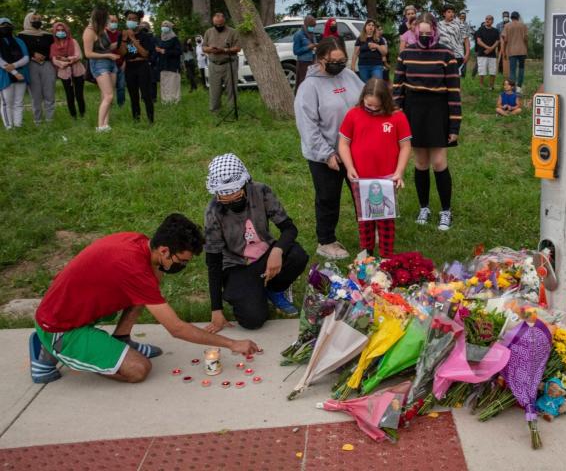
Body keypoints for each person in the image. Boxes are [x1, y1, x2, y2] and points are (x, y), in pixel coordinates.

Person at [28, 213, 260, 384]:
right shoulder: (134, 269)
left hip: (76, 311)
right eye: (182, 261)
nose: (182, 266)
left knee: (152, 280)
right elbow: (176, 329)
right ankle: (48, 349)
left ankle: (121, 340)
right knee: (138, 369)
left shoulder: (140, 245)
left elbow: (147, 284)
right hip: (60, 326)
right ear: (165, 251)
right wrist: (231, 344)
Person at [203, 153, 309, 330]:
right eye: (224, 199)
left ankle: (275, 289)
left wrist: (277, 251)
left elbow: (289, 229)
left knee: (297, 255)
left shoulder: (261, 191)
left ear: (245, 185)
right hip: (237, 265)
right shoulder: (213, 212)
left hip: (266, 255)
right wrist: (216, 309)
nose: (231, 203)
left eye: (236, 198)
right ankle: (253, 291)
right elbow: (213, 261)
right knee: (252, 320)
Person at [295, 38, 365, 260]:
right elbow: (308, 126)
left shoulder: (351, 77)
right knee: (328, 197)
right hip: (326, 154)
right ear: (320, 59)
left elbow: (367, 101)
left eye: (342, 60)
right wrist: (326, 154)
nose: (338, 65)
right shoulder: (309, 87)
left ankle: (369, 233)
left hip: (355, 150)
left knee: (362, 193)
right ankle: (326, 241)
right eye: (333, 61)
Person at [393, 13, 461, 231]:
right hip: (413, 112)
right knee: (420, 162)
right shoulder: (405, 55)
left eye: (428, 33)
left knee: (439, 162)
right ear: (414, 32)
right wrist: (398, 118)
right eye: (420, 33)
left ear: (434, 31)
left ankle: (446, 211)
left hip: (437, 110)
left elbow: (454, 91)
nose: (424, 37)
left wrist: (454, 125)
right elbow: (397, 90)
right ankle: (424, 207)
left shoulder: (446, 54)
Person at [338, 78, 413, 257]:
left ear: (386, 102)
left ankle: (387, 256)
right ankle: (367, 253)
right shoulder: (353, 114)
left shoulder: (397, 117)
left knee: (386, 218)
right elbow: (343, 143)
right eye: (368, 104)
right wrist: (349, 167)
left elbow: (405, 146)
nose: (371, 109)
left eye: (376, 106)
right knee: (364, 218)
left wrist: (399, 172)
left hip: (387, 178)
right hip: (361, 178)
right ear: (363, 97)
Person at [83, 7, 121, 131]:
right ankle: (100, 127)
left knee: (106, 95)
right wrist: (108, 55)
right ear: (100, 18)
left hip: (111, 63)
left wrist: (122, 41)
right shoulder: (89, 32)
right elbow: (88, 54)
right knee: (109, 96)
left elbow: (108, 46)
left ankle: (105, 124)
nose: (109, 21)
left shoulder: (103, 30)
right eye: (107, 18)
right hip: (99, 64)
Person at [19, 12, 56, 124]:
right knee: (36, 95)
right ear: (28, 20)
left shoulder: (48, 35)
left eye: (39, 19)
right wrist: (32, 55)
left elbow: (53, 49)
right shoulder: (22, 35)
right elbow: (20, 50)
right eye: (34, 18)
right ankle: (37, 121)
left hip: (47, 64)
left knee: (49, 93)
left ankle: (50, 120)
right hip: (31, 65)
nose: (37, 21)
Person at [203, 13, 242, 114]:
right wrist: (210, 49)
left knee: (231, 89)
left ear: (224, 22)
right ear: (213, 22)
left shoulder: (233, 32)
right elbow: (204, 47)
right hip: (214, 64)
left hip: (229, 63)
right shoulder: (208, 32)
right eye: (216, 24)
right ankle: (215, 110)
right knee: (214, 89)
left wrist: (223, 50)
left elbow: (238, 48)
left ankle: (232, 110)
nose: (218, 26)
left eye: (220, 24)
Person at [119, 11, 154, 124]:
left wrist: (133, 39)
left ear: (138, 22)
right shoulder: (123, 35)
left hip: (142, 66)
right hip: (130, 66)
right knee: (133, 96)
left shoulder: (145, 36)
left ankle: (150, 120)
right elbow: (123, 53)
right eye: (129, 18)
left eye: (134, 19)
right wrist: (125, 39)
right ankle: (136, 119)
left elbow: (145, 54)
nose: (131, 21)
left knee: (146, 94)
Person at [50, 21, 85, 119]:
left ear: (66, 31)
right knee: (69, 96)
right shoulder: (53, 45)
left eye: (62, 30)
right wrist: (63, 62)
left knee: (79, 94)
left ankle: (82, 114)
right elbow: (54, 59)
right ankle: (73, 116)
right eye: (58, 30)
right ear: (54, 32)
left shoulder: (73, 41)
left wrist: (66, 59)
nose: (60, 32)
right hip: (64, 73)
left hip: (77, 71)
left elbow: (79, 55)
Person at [0, 17, 30, 129]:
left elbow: (26, 57)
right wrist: (14, 72)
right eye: (2, 26)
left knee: (19, 102)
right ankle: (9, 127)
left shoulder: (19, 41)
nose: (5, 28)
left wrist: (14, 66)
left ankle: (18, 126)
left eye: (8, 26)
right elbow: (0, 61)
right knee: (6, 103)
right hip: (4, 75)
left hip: (22, 74)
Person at [438, 6, 470, 78]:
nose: (451, 14)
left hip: (457, 55)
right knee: (443, 76)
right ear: (444, 13)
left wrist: (467, 54)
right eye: (449, 12)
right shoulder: (439, 25)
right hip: (443, 55)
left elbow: (466, 40)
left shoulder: (460, 24)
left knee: (454, 77)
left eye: (452, 12)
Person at [156, 21, 183, 104]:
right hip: (163, 64)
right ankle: (165, 100)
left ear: (170, 27)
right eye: (163, 25)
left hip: (172, 65)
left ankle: (174, 100)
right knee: (164, 83)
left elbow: (179, 51)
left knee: (173, 83)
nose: (164, 27)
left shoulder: (174, 39)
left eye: (166, 25)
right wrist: (158, 50)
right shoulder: (161, 38)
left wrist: (166, 51)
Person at [501, 11, 528, 94]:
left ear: (511, 17)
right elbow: (526, 39)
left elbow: (505, 40)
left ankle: (512, 88)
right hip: (522, 50)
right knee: (521, 69)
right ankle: (519, 88)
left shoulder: (507, 26)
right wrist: (526, 49)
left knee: (512, 70)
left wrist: (504, 51)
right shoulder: (523, 26)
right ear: (518, 17)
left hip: (512, 51)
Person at [292, 15, 318, 92]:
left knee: (311, 83)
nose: (312, 28)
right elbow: (296, 51)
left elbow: (313, 45)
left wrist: (316, 46)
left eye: (314, 26)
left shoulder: (312, 34)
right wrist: (308, 47)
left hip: (313, 61)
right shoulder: (298, 35)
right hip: (303, 63)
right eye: (311, 26)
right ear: (306, 24)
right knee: (302, 82)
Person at [475, 15, 500, 90]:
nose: (487, 20)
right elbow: (479, 41)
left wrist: (491, 48)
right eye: (486, 19)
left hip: (492, 55)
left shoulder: (496, 31)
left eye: (489, 19)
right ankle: (481, 86)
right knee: (482, 71)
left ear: (492, 21)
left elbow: (497, 41)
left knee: (493, 71)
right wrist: (488, 48)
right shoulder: (480, 29)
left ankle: (491, 86)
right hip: (482, 54)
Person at [107, 15, 125, 108]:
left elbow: (131, 49)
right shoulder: (103, 34)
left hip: (120, 64)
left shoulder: (121, 34)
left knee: (121, 87)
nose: (114, 23)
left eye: (115, 21)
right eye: (112, 21)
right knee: (108, 88)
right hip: (107, 65)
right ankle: (108, 105)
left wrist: (125, 63)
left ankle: (121, 106)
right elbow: (105, 48)